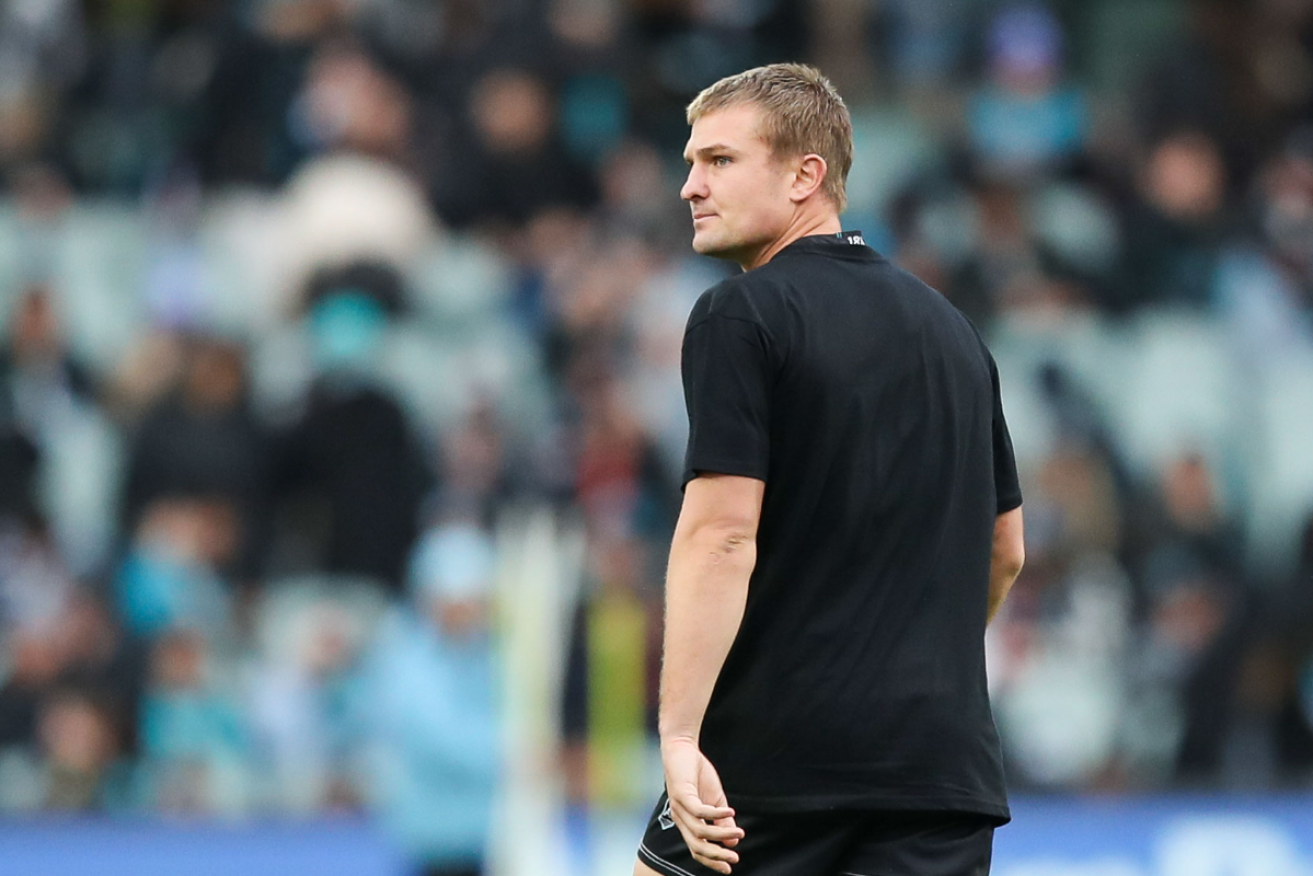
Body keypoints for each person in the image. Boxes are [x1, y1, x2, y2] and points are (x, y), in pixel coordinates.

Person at [633, 63, 1026, 876]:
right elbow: (1004, 549)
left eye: (718, 161)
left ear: (805, 175)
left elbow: (720, 538)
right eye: (688, 163)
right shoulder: (954, 332)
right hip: (938, 774)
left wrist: (677, 736)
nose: (690, 187)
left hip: (776, 764)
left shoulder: (739, 313)